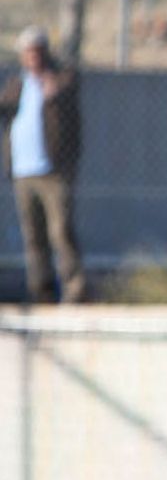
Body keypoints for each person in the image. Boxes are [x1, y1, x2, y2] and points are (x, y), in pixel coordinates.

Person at [4, 28, 82, 305]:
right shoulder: (18, 84)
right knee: (33, 236)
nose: (33, 57)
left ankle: (74, 289)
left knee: (60, 230)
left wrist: (50, 81)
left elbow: (65, 94)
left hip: (52, 170)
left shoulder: (60, 79)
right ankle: (41, 292)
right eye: (28, 52)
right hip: (23, 171)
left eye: (37, 51)